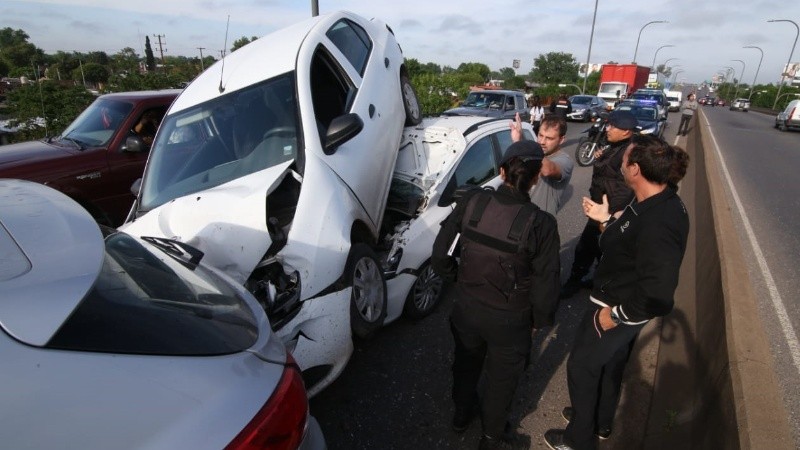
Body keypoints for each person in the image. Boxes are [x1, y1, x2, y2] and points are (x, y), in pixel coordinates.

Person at [543, 134, 690, 450]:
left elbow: (660, 292)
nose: (619, 162)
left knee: (581, 366)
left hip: (615, 307)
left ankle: (578, 439)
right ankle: (600, 420)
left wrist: (616, 316)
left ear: (635, 170)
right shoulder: (651, 199)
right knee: (609, 366)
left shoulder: (661, 221)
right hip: (617, 300)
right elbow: (630, 244)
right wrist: (605, 220)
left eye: (625, 159)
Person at [431, 140, 560, 450]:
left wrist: (460, 283)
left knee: (465, 361)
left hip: (467, 307)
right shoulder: (541, 224)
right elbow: (547, 284)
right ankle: (491, 438)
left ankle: (461, 416)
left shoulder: (472, 202)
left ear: (502, 172)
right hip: (510, 318)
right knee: (502, 380)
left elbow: (439, 256)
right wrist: (537, 321)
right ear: (535, 177)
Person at [559, 110, 637, 299]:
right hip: (600, 210)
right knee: (592, 248)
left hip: (610, 213)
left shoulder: (630, 152)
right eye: (608, 124)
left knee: (592, 248)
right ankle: (588, 280)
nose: (608, 129)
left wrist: (608, 213)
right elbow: (608, 174)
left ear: (626, 131)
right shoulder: (615, 146)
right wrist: (601, 158)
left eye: (613, 126)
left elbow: (626, 188)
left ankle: (588, 284)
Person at [510, 113, 574, 216]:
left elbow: (548, 170)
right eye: (540, 135)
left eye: (549, 138)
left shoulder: (565, 160)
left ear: (561, 139)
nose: (542, 142)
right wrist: (519, 139)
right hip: (519, 215)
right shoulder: (534, 152)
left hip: (540, 222)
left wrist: (521, 143)